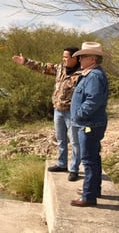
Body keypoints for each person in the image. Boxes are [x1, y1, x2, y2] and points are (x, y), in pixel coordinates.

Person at [12, 47, 82, 181]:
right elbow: (43, 67)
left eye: (66, 57)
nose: (63, 59)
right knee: (61, 139)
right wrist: (25, 61)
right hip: (58, 110)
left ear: (76, 58)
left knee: (75, 142)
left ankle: (74, 169)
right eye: (63, 56)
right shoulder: (60, 68)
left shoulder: (82, 73)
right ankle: (62, 164)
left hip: (72, 113)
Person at [70, 42, 110, 207]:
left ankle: (88, 196)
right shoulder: (91, 74)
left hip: (89, 124)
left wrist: (79, 115)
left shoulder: (93, 76)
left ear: (92, 58)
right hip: (91, 123)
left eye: (83, 56)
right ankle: (93, 190)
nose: (79, 59)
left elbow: (93, 100)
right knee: (93, 158)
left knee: (88, 160)